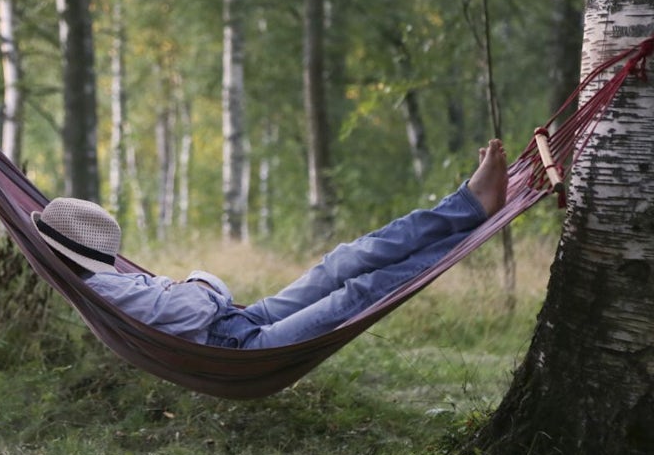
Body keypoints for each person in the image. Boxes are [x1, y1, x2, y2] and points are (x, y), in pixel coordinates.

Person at [32, 139, 508, 349]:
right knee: (356, 292)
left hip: (244, 322)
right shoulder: (109, 291)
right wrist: (205, 282)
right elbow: (196, 307)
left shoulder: (103, 280)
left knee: (344, 261)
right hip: (244, 347)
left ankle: (467, 207)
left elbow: (186, 307)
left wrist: (201, 294)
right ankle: (469, 216)